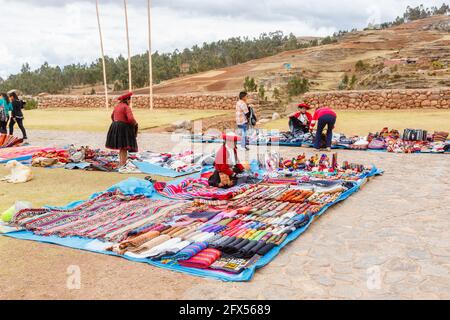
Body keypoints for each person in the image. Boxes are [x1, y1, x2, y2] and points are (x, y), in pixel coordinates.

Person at [106, 92, 138, 167]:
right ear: (127, 100)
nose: (130, 102)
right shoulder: (126, 107)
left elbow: (112, 116)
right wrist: (135, 124)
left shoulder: (117, 106)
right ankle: (123, 164)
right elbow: (130, 119)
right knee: (124, 147)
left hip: (115, 126)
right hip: (123, 128)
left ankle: (121, 163)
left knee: (122, 147)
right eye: (129, 100)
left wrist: (116, 124)